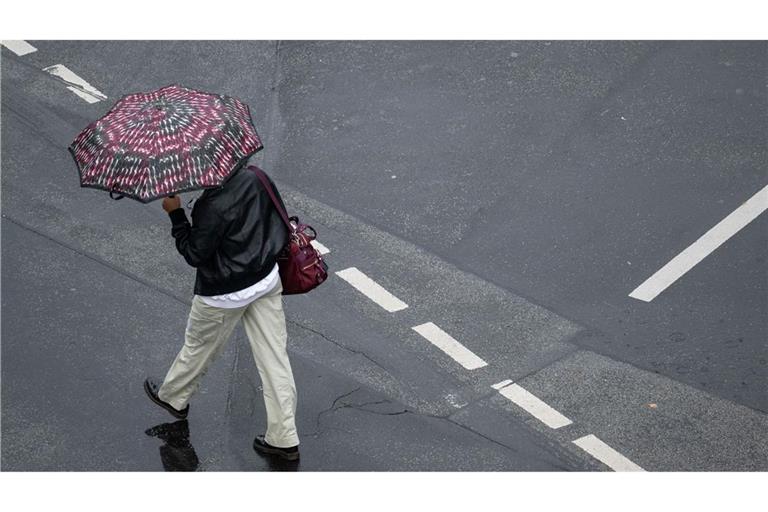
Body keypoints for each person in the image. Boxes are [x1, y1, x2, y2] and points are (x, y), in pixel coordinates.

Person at [143, 162, 300, 461]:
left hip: (223, 293)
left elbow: (194, 253)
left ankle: (174, 398)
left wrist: (176, 213)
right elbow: (277, 220)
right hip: (265, 280)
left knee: (199, 348)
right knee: (275, 359)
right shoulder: (257, 177)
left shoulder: (211, 205)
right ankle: (284, 438)